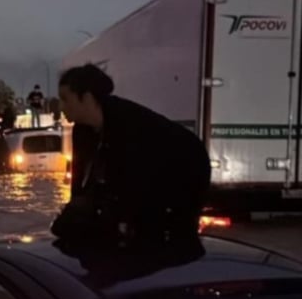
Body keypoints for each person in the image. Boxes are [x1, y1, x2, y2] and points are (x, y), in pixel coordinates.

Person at [51, 63, 211, 248]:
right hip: (149, 179)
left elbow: (131, 189)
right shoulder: (82, 130)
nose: (61, 106)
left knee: (157, 236)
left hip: (186, 173)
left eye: (65, 99)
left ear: (86, 98)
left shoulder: (129, 126)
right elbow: (80, 185)